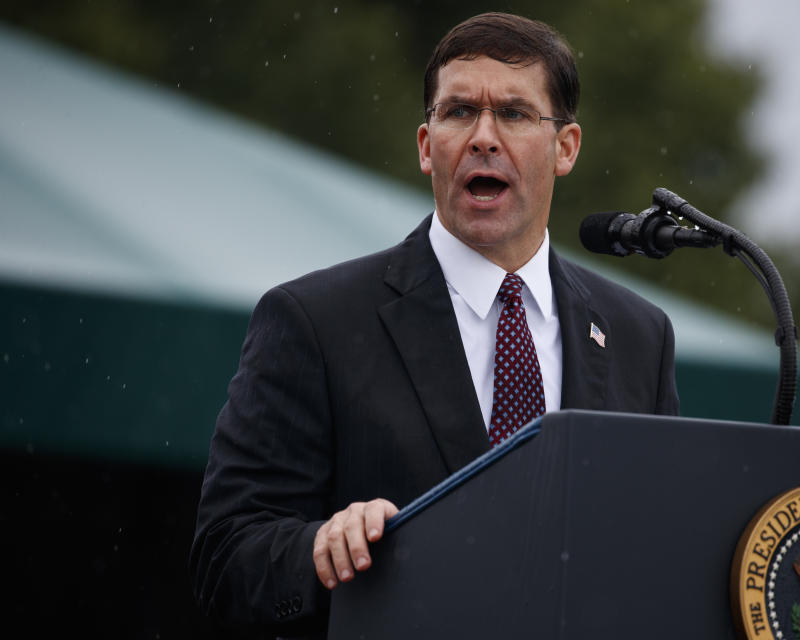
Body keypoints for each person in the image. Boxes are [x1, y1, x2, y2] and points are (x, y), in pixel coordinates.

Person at [190, 11, 679, 637]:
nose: (482, 137)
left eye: (513, 113)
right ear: (427, 146)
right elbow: (225, 557)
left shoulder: (640, 335)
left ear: (566, 148)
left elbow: (659, 552)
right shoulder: (315, 321)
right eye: (456, 113)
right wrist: (318, 550)